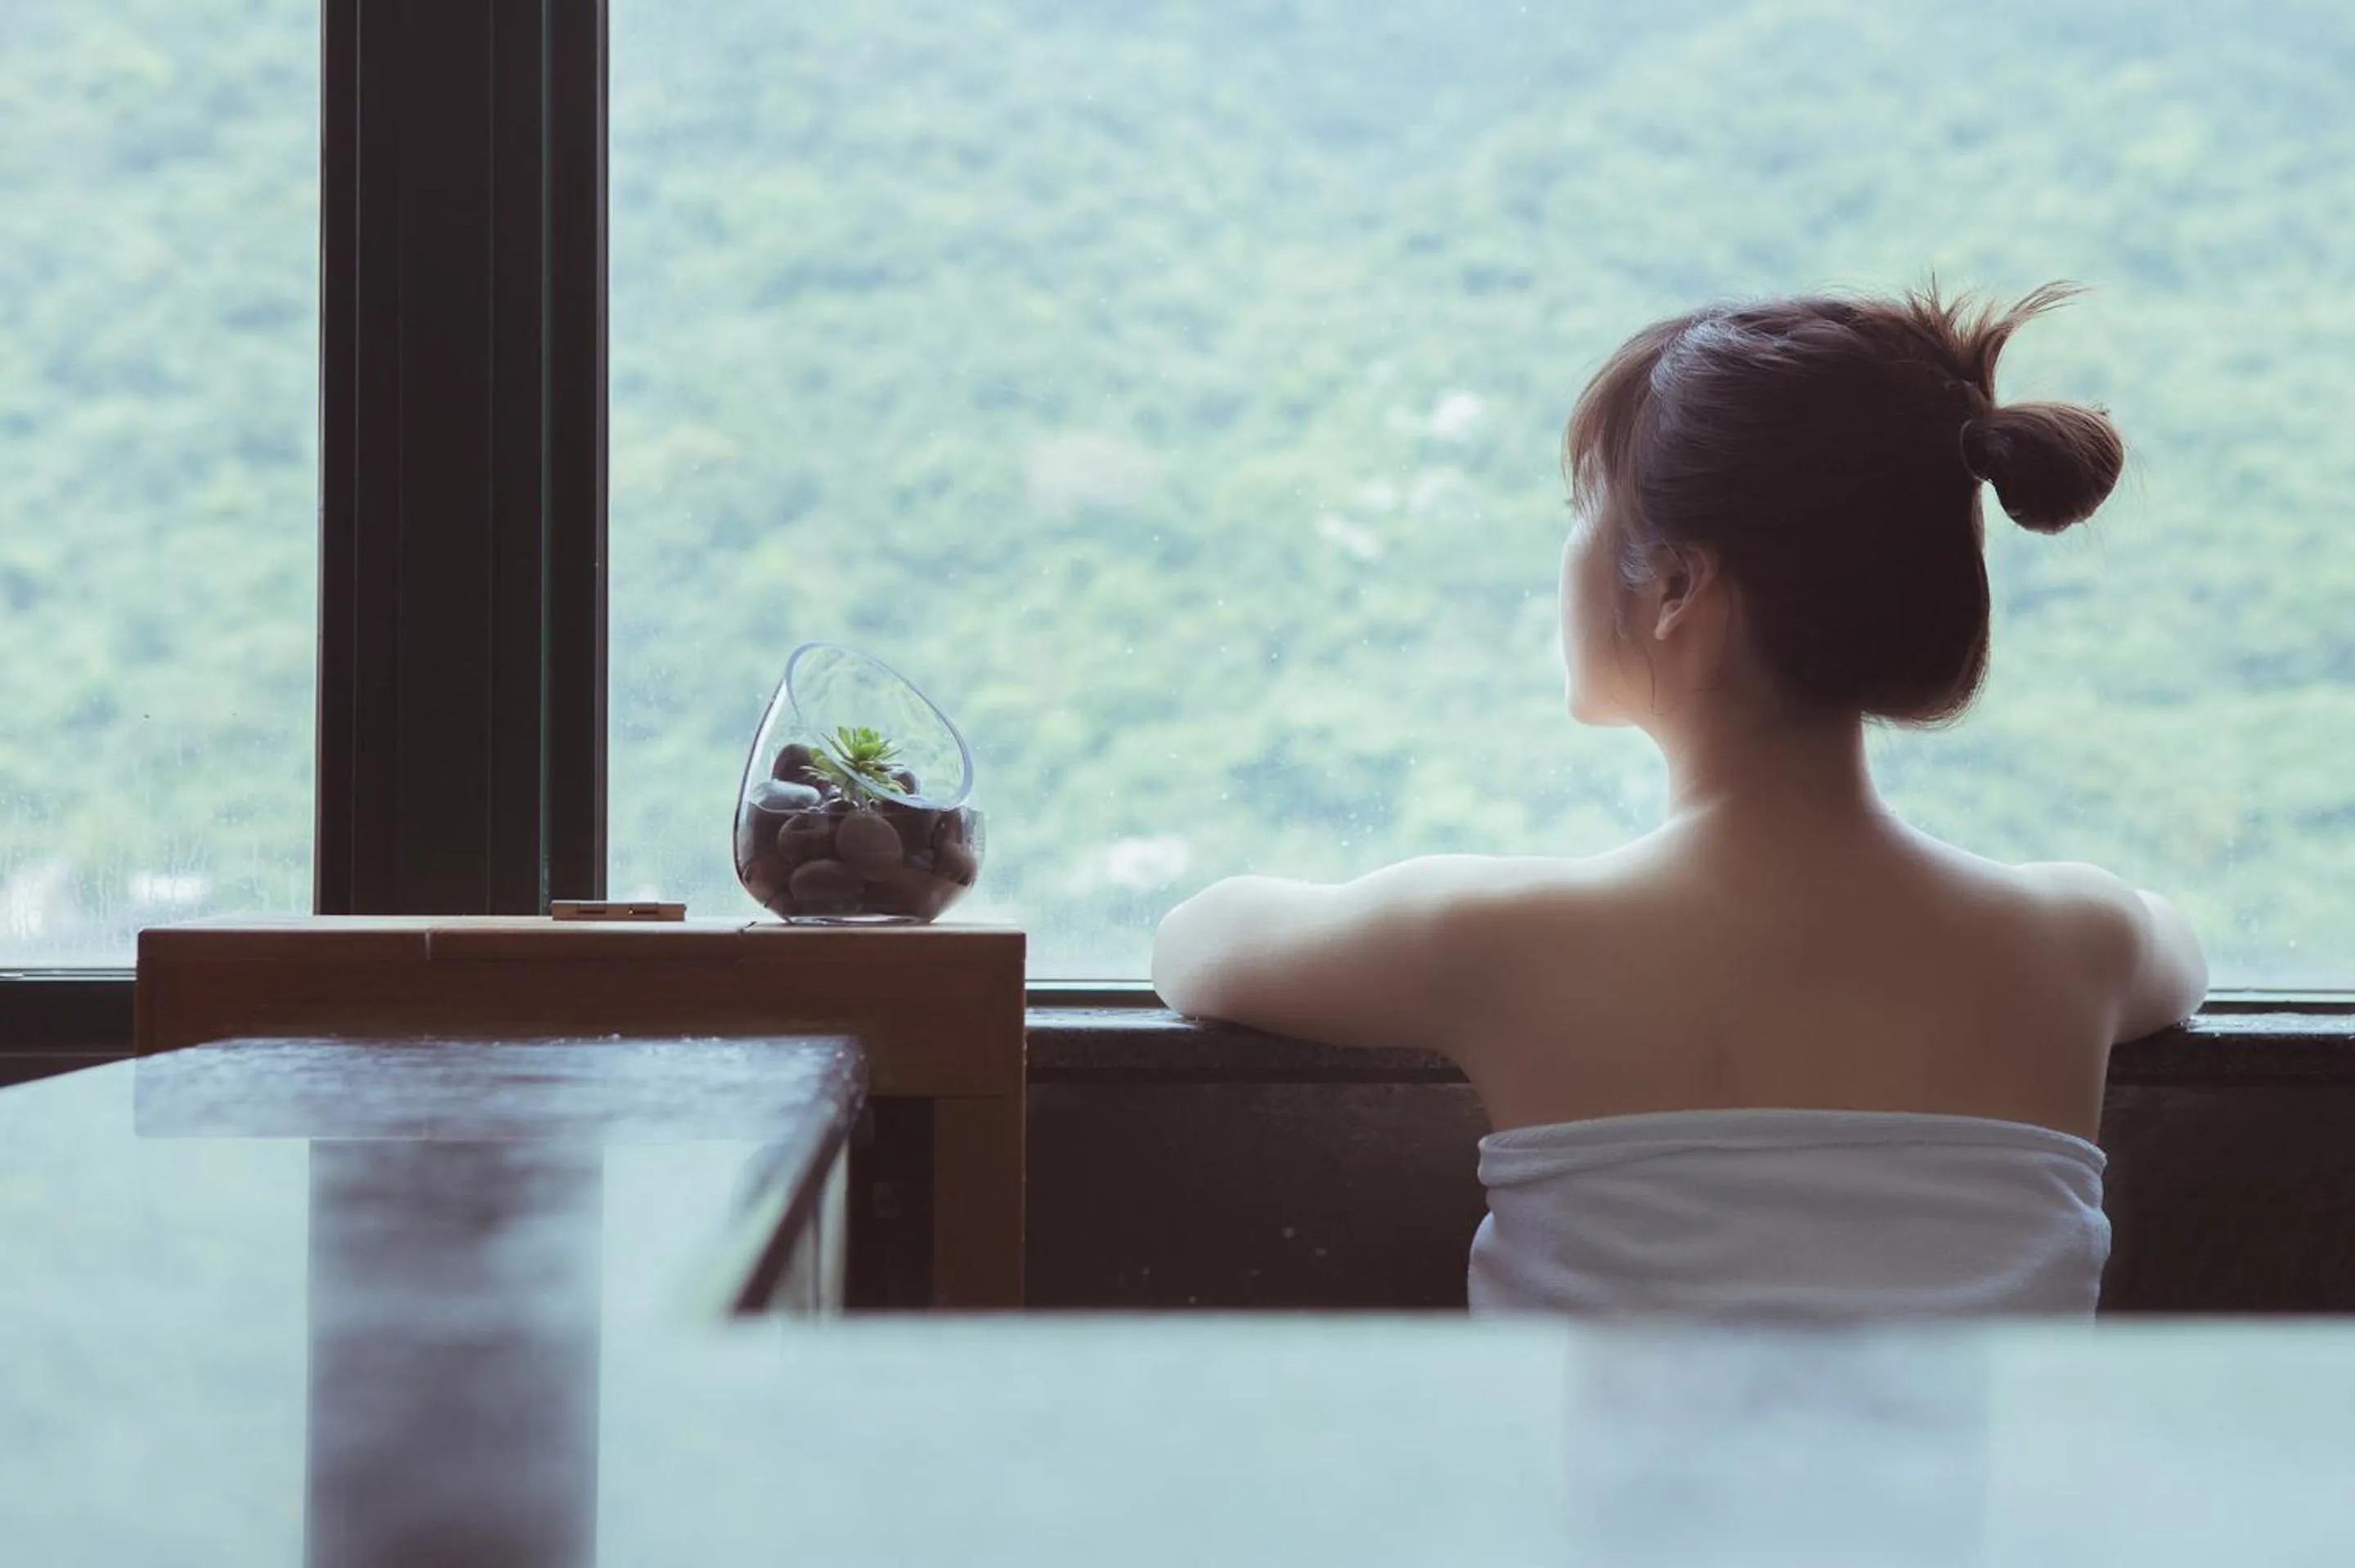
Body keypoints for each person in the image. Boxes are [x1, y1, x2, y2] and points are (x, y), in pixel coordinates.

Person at [1152, 284, 2207, 1317]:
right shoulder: (2086, 941)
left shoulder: (1490, 937)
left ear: (1676, 589)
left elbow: (1196, 948)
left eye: (1585, 512)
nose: (1568, 554)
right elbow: (2183, 961)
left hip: (1611, 1503)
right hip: (1981, 1504)